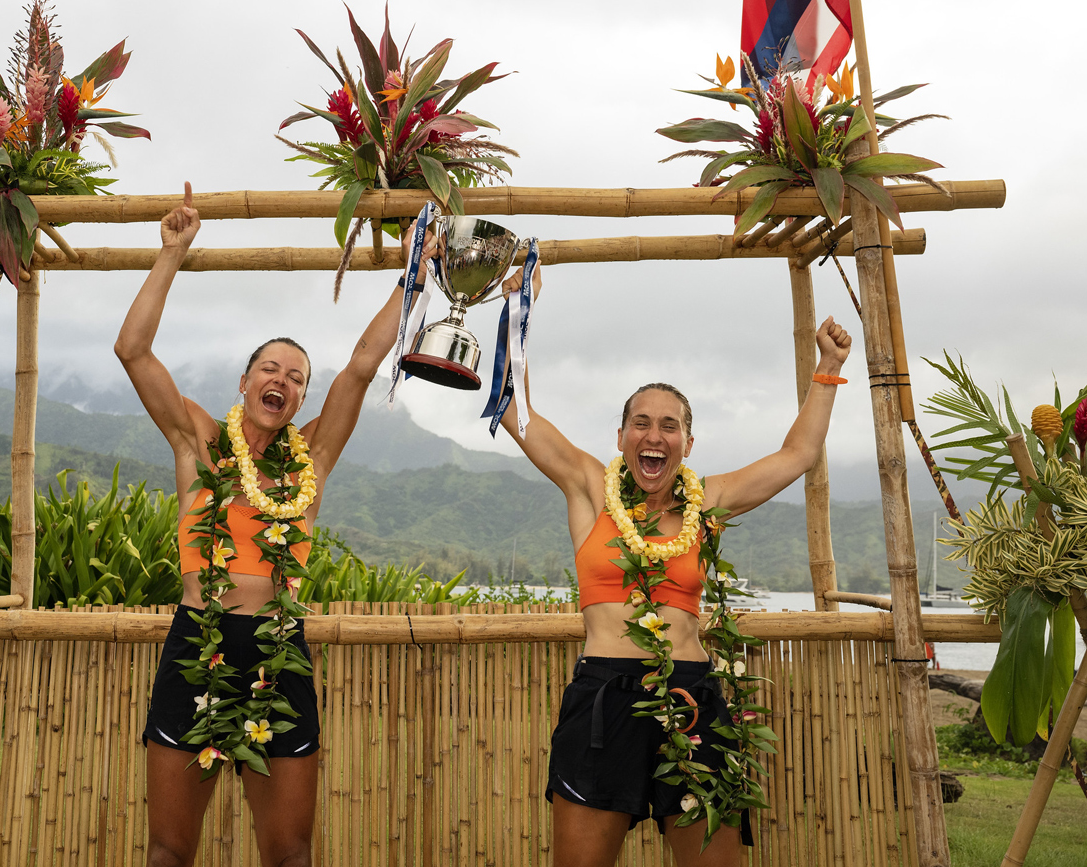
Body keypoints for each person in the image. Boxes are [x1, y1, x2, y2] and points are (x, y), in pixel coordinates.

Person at [115, 183, 435, 867]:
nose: (282, 381)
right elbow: (134, 353)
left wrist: (413, 277)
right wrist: (171, 253)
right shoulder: (197, 443)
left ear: (298, 399)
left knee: (290, 853)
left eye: (295, 377)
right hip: (195, 642)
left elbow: (360, 367)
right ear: (244, 382)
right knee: (169, 851)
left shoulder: (310, 459)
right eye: (270, 368)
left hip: (278, 652)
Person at [491, 264, 852, 866]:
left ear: (687, 443)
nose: (653, 434)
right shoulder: (589, 488)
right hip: (604, 698)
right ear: (621, 436)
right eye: (641, 422)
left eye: (669, 425)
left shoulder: (704, 504)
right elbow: (512, 410)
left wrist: (829, 368)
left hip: (691, 697)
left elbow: (799, 453)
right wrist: (515, 312)